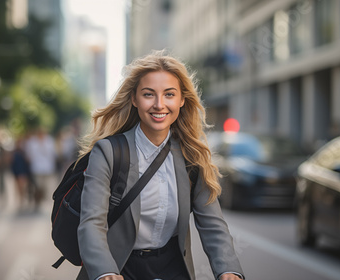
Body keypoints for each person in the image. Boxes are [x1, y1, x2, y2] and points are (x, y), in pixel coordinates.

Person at [76, 51, 245, 280]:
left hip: (173, 269)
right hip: (119, 268)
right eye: (148, 94)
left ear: (181, 100)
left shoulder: (191, 156)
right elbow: (91, 223)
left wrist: (228, 269)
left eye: (169, 94)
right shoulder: (108, 152)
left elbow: (213, 224)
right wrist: (105, 271)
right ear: (134, 99)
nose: (159, 104)